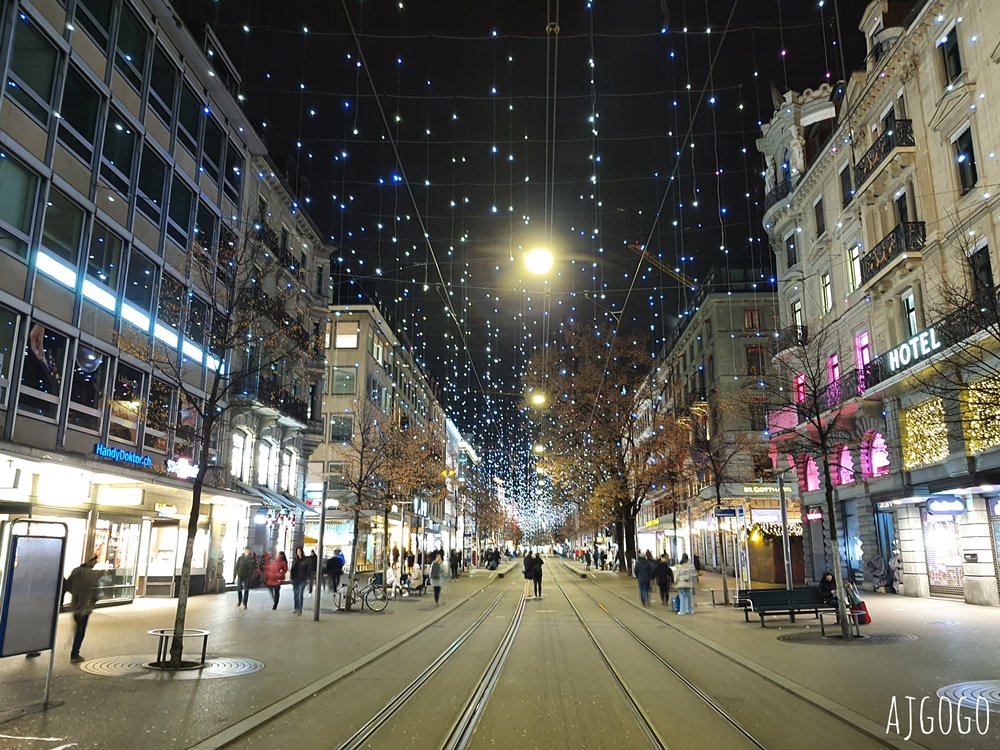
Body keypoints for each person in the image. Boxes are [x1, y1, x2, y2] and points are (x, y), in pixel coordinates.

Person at [66, 555, 101, 662]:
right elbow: (95, 591)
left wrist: (75, 594)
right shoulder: (93, 574)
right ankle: (75, 653)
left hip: (75, 605)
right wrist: (93, 601)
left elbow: (68, 585)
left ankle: (75, 651)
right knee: (81, 630)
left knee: (78, 627)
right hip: (85, 606)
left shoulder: (75, 571)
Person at [290, 547, 309, 615]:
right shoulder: (295, 560)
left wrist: (307, 576)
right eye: (297, 551)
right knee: (295, 595)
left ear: (302, 551)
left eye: (300, 551)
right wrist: (291, 578)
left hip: (302, 579)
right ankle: (296, 608)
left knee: (300, 594)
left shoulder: (306, 560)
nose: (299, 553)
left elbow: (308, 569)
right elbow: (292, 569)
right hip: (295, 579)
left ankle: (300, 609)